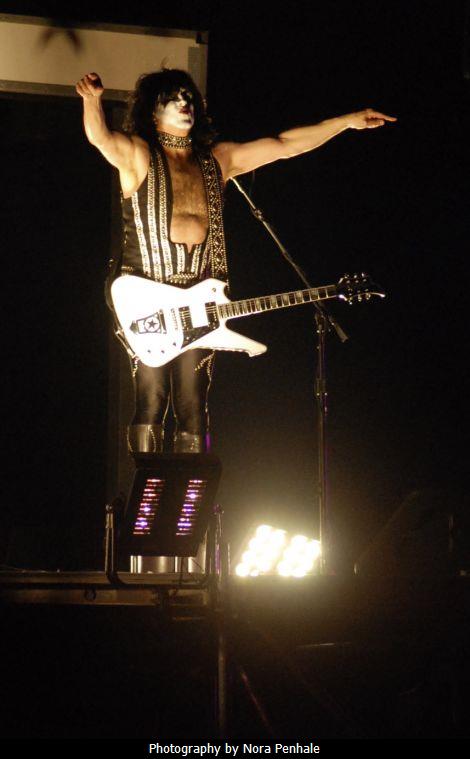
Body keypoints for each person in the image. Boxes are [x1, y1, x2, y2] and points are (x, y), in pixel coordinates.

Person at [76, 68, 395, 455]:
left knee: (193, 403)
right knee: (152, 396)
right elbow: (101, 138)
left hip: (201, 300)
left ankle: (190, 487)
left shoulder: (218, 159)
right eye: (173, 97)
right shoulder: (139, 154)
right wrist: (91, 101)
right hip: (146, 298)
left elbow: (284, 144)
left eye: (189, 96)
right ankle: (148, 483)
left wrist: (345, 122)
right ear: (153, 110)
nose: (184, 102)